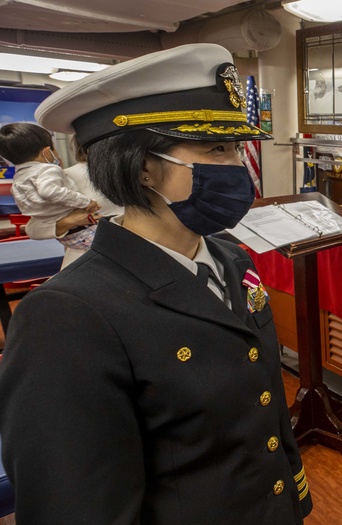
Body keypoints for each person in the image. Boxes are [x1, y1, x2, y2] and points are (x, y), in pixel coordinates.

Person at [0, 43, 312, 524]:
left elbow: (264, 401)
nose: (239, 168)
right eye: (216, 149)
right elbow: (76, 502)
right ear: (143, 167)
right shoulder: (67, 315)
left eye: (236, 148)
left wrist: (294, 495)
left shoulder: (229, 258)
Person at [23, 139, 124, 268]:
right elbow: (33, 228)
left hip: (139, 256)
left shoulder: (141, 172)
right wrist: (71, 221)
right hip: (88, 262)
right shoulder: (64, 177)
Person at [0, 122, 101, 250]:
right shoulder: (48, 171)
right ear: (47, 152)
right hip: (83, 232)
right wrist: (84, 204)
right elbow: (48, 192)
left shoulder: (19, 178)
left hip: (67, 238)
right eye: (54, 147)